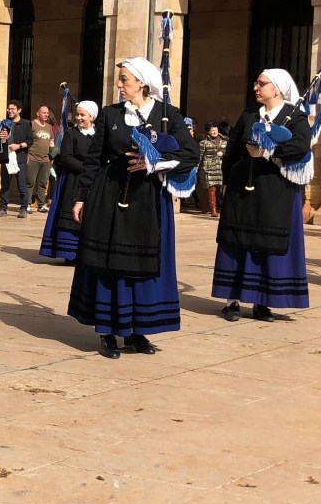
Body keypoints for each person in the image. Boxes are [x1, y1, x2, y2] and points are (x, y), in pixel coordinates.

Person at [68, 59, 198, 358]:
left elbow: (189, 154)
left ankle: (139, 331)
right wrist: (81, 196)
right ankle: (109, 332)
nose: (119, 84)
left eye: (124, 79)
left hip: (149, 197)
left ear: (142, 82)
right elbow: (94, 159)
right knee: (109, 262)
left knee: (144, 264)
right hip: (109, 194)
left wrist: (154, 163)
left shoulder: (168, 115)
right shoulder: (111, 114)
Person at [212, 69, 311, 322]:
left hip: (274, 191)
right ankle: (231, 301)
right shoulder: (248, 115)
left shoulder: (294, 116)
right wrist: (228, 179)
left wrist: (269, 151)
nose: (256, 87)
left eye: (261, 83)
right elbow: (234, 148)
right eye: (256, 82)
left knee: (265, 246)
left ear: (277, 88)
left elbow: (300, 146)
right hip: (242, 189)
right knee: (236, 241)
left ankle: (261, 302)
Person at [39, 102, 97, 264]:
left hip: (93, 180)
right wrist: (87, 168)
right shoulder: (71, 134)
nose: (78, 118)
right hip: (73, 179)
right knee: (71, 215)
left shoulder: (98, 135)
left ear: (91, 117)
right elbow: (65, 157)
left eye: (82, 115)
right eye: (77, 115)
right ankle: (69, 253)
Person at [0, 99, 31, 217]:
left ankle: (23, 208)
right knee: (5, 184)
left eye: (13, 109)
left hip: (20, 158)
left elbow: (30, 141)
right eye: (9, 109)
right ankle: (3, 208)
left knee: (22, 184)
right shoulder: (4, 123)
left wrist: (19, 146)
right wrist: (0, 138)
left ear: (19, 110)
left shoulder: (25, 124)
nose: (10, 111)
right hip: (6, 158)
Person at [28, 105, 57, 212]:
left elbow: (51, 141)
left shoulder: (49, 127)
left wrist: (52, 155)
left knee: (43, 182)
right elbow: (28, 140)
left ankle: (41, 204)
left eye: (47, 113)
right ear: (38, 113)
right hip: (33, 157)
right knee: (30, 181)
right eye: (44, 113)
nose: (46, 115)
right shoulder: (32, 124)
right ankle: (27, 204)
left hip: (45, 159)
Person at [197, 121, 226, 218]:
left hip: (220, 168)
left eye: (216, 130)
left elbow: (229, 153)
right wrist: (196, 168)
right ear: (208, 132)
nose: (214, 132)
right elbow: (200, 157)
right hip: (208, 168)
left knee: (213, 189)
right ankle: (213, 209)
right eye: (212, 130)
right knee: (211, 188)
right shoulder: (203, 143)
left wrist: (223, 154)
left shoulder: (225, 141)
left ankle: (203, 205)